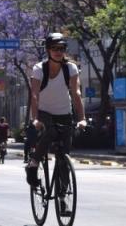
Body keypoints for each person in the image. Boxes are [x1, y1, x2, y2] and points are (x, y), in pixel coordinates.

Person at [25, 33, 86, 217]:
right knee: (49, 132)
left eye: (62, 49)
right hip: (44, 112)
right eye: (55, 49)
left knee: (64, 159)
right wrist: (35, 118)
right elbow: (34, 95)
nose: (59, 52)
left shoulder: (71, 68)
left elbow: (75, 93)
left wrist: (82, 118)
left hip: (64, 113)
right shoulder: (39, 69)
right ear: (48, 50)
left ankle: (62, 199)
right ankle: (34, 163)